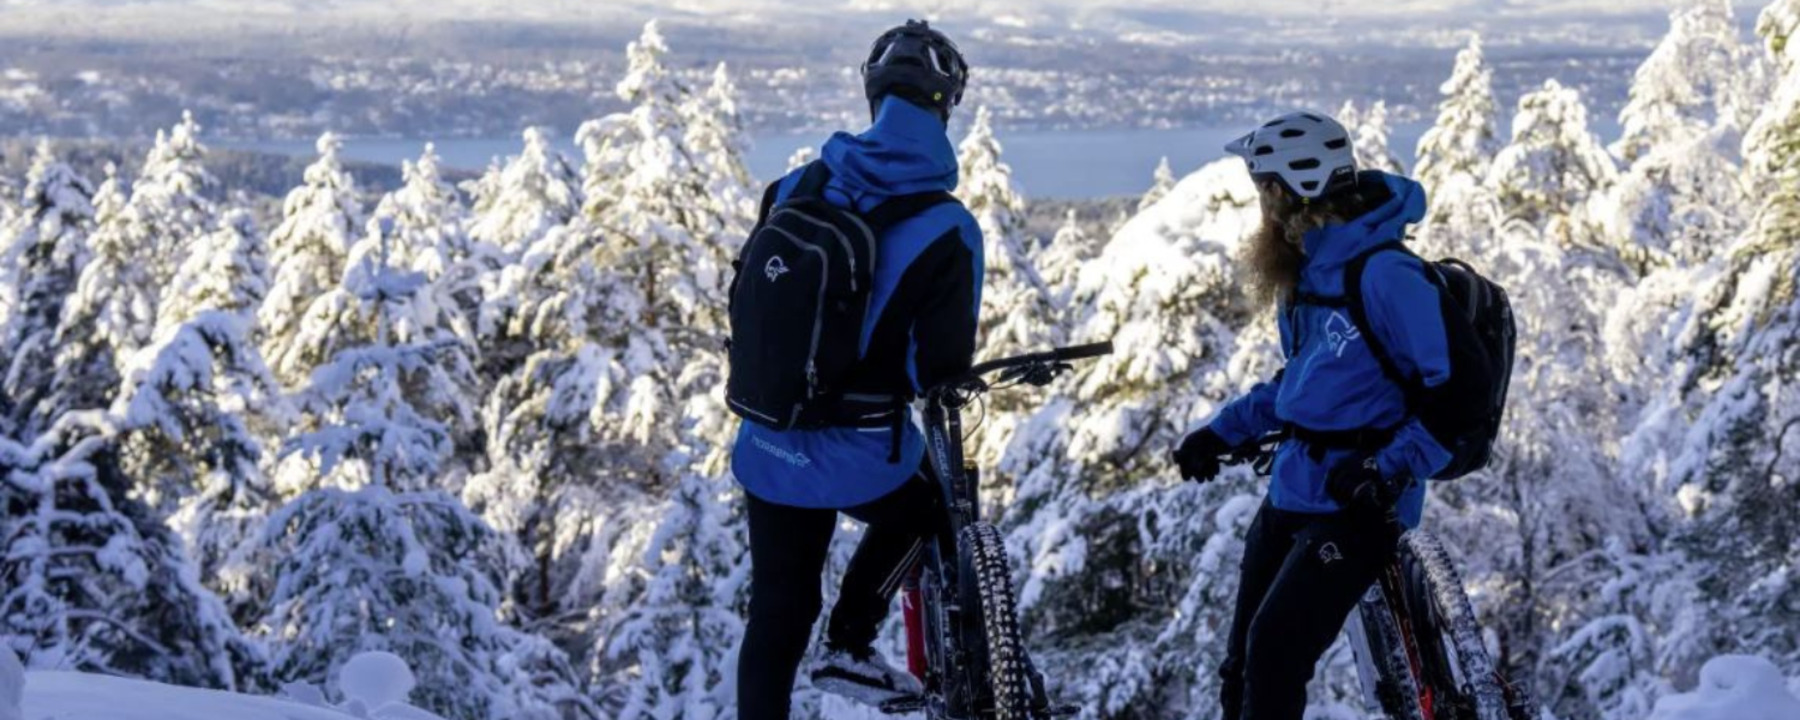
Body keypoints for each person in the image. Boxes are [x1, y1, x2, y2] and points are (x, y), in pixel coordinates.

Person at [730, 20, 983, 720]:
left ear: (875, 97)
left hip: (769, 437)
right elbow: (938, 368)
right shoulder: (948, 226)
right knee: (928, 514)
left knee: (777, 609)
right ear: (944, 106)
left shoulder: (793, 186)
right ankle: (850, 641)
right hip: (864, 452)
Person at [1171, 111, 1455, 720]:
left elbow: (1451, 398)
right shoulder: (1307, 276)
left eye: (1262, 188)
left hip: (1362, 502)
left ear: (1288, 189)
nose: (1259, 206)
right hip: (1298, 485)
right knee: (1242, 662)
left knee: (1275, 652)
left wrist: (1382, 468)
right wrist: (1220, 432)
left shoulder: (1387, 275)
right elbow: (1301, 383)